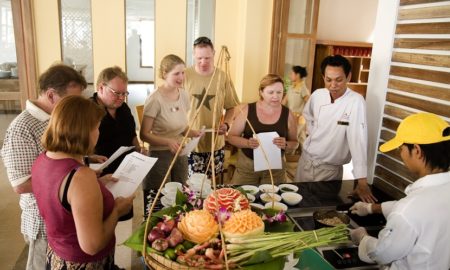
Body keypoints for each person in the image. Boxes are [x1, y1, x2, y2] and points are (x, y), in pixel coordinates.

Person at [31, 95, 134, 269]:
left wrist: (97, 184)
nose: (98, 133)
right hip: (83, 262)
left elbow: (64, 199)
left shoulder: (43, 159)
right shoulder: (81, 176)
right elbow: (92, 245)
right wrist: (117, 210)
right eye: (97, 128)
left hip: (57, 255)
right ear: (83, 132)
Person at [1, 64, 87, 269]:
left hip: (65, 212)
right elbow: (21, 184)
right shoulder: (21, 129)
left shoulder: (57, 119)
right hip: (42, 220)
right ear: (51, 95)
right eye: (71, 100)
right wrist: (73, 186)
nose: (74, 107)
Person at [349, 112, 450, 269]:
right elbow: (422, 212)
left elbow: (382, 253)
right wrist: (371, 208)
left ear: (416, 150)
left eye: (401, 148)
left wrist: (363, 239)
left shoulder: (409, 209)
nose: (400, 154)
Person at [294, 55, 376, 203]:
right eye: (328, 80)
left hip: (329, 172)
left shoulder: (355, 101)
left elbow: (358, 140)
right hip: (305, 163)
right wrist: (317, 136)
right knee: (297, 205)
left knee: (321, 210)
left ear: (348, 76)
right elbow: (309, 117)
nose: (333, 85)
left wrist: (362, 182)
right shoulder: (318, 95)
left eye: (339, 80)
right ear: (323, 77)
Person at [140, 54, 202, 214]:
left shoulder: (184, 95)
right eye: (176, 73)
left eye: (183, 73)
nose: (181, 77)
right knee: (161, 197)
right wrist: (167, 142)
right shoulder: (155, 99)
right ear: (164, 74)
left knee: (181, 193)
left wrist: (192, 132)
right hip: (160, 155)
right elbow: (144, 135)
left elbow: (180, 126)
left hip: (180, 152)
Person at [184, 36, 240, 178]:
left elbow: (231, 107)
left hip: (216, 142)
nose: (203, 62)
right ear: (193, 55)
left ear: (214, 54)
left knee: (214, 187)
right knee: (193, 188)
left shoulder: (223, 77)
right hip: (191, 143)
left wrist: (226, 124)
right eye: (199, 58)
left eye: (207, 58)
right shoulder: (185, 76)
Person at [227, 74, 298, 185]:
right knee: (241, 197)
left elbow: (295, 143)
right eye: (271, 92)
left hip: (275, 169)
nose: (276, 96)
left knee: (274, 201)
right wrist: (247, 143)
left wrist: (286, 144)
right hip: (247, 167)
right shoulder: (247, 110)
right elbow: (231, 136)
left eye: (279, 92)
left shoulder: (288, 114)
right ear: (261, 92)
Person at [91, 66, 141, 174]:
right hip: (101, 172)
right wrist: (90, 158)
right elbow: (77, 147)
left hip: (127, 169)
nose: (122, 98)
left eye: (124, 93)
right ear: (101, 88)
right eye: (117, 93)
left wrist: (139, 149)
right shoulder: (87, 111)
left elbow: (132, 134)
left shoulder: (123, 108)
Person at [282, 65, 309, 147]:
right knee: (301, 138)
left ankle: (289, 155)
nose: (290, 75)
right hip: (290, 117)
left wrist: (302, 115)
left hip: (299, 118)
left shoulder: (303, 88)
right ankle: (308, 156)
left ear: (297, 75)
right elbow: (284, 101)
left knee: (292, 137)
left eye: (292, 73)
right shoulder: (291, 87)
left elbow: (309, 103)